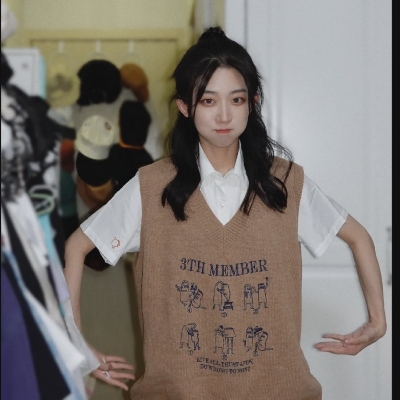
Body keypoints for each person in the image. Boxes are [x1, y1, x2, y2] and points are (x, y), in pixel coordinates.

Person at [64, 27, 387, 399]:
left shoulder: (283, 182)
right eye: (207, 100)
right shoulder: (152, 186)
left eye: (236, 100)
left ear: (252, 102)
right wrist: (75, 345)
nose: (223, 115)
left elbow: (358, 237)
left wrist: (378, 321)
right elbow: (77, 246)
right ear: (185, 107)